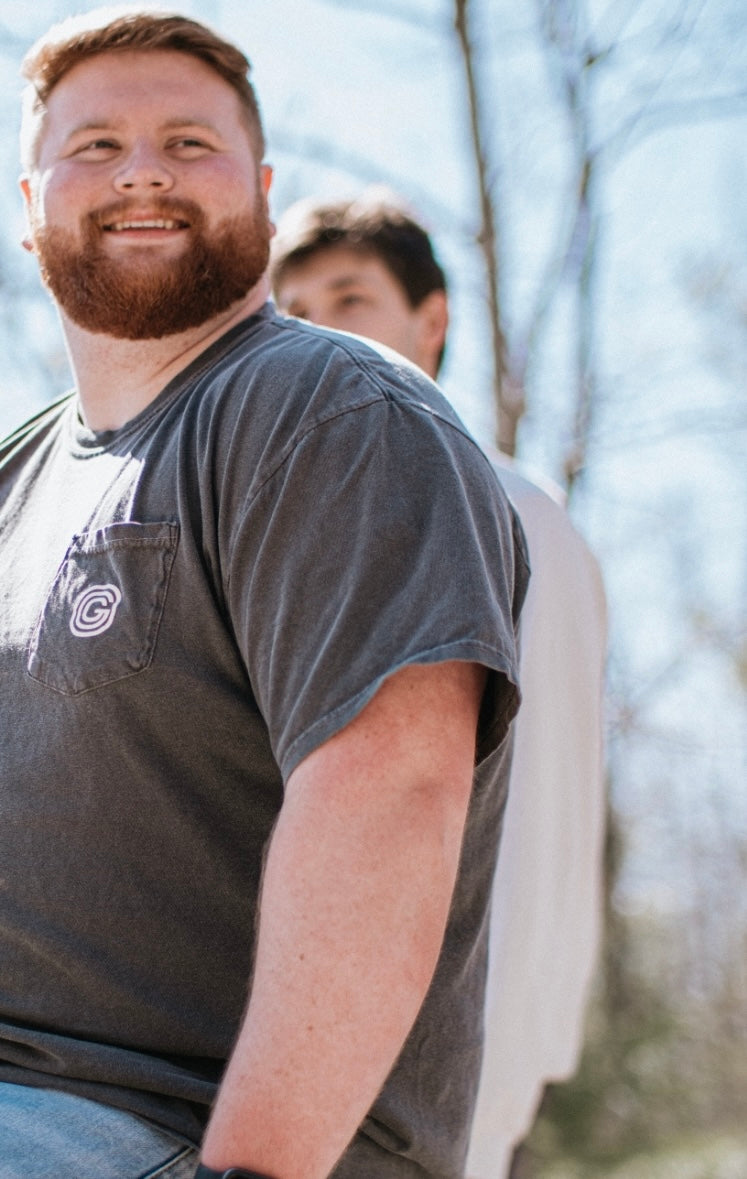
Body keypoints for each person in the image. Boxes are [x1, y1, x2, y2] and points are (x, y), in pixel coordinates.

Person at [0, 10, 529, 1178]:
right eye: (94, 145)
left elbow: (391, 793)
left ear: (260, 190)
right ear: (28, 202)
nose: (143, 168)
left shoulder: (333, 417)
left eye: (189, 144)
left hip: (188, 1132)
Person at [270, 193, 608, 1179]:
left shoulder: (481, 507)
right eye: (290, 311)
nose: (316, 332)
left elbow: (536, 804)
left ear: (432, 320)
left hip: (433, 1041)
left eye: (349, 298)